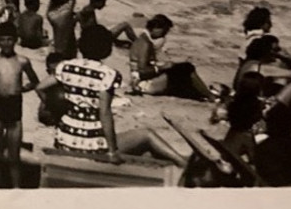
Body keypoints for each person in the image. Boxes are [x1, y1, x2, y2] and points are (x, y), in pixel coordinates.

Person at [39, 25, 188, 167]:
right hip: (92, 145)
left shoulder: (65, 67)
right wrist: (112, 151)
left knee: (142, 150)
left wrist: (58, 114)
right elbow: (105, 113)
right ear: (107, 49)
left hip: (65, 140)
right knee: (146, 135)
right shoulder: (107, 74)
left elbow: (40, 88)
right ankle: (184, 165)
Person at [0, 22, 40, 188]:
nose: (6, 43)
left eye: (9, 39)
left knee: (14, 156)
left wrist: (21, 89)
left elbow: (34, 81)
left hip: (14, 106)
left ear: (15, 40)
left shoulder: (22, 61)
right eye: (2, 40)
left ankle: (16, 189)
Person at [128, 15, 214, 101]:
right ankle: (210, 96)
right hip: (143, 84)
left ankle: (205, 93)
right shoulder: (145, 44)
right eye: (164, 32)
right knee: (187, 68)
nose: (164, 36)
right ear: (156, 28)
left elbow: (145, 65)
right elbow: (142, 71)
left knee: (181, 71)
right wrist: (162, 67)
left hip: (142, 81)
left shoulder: (143, 40)